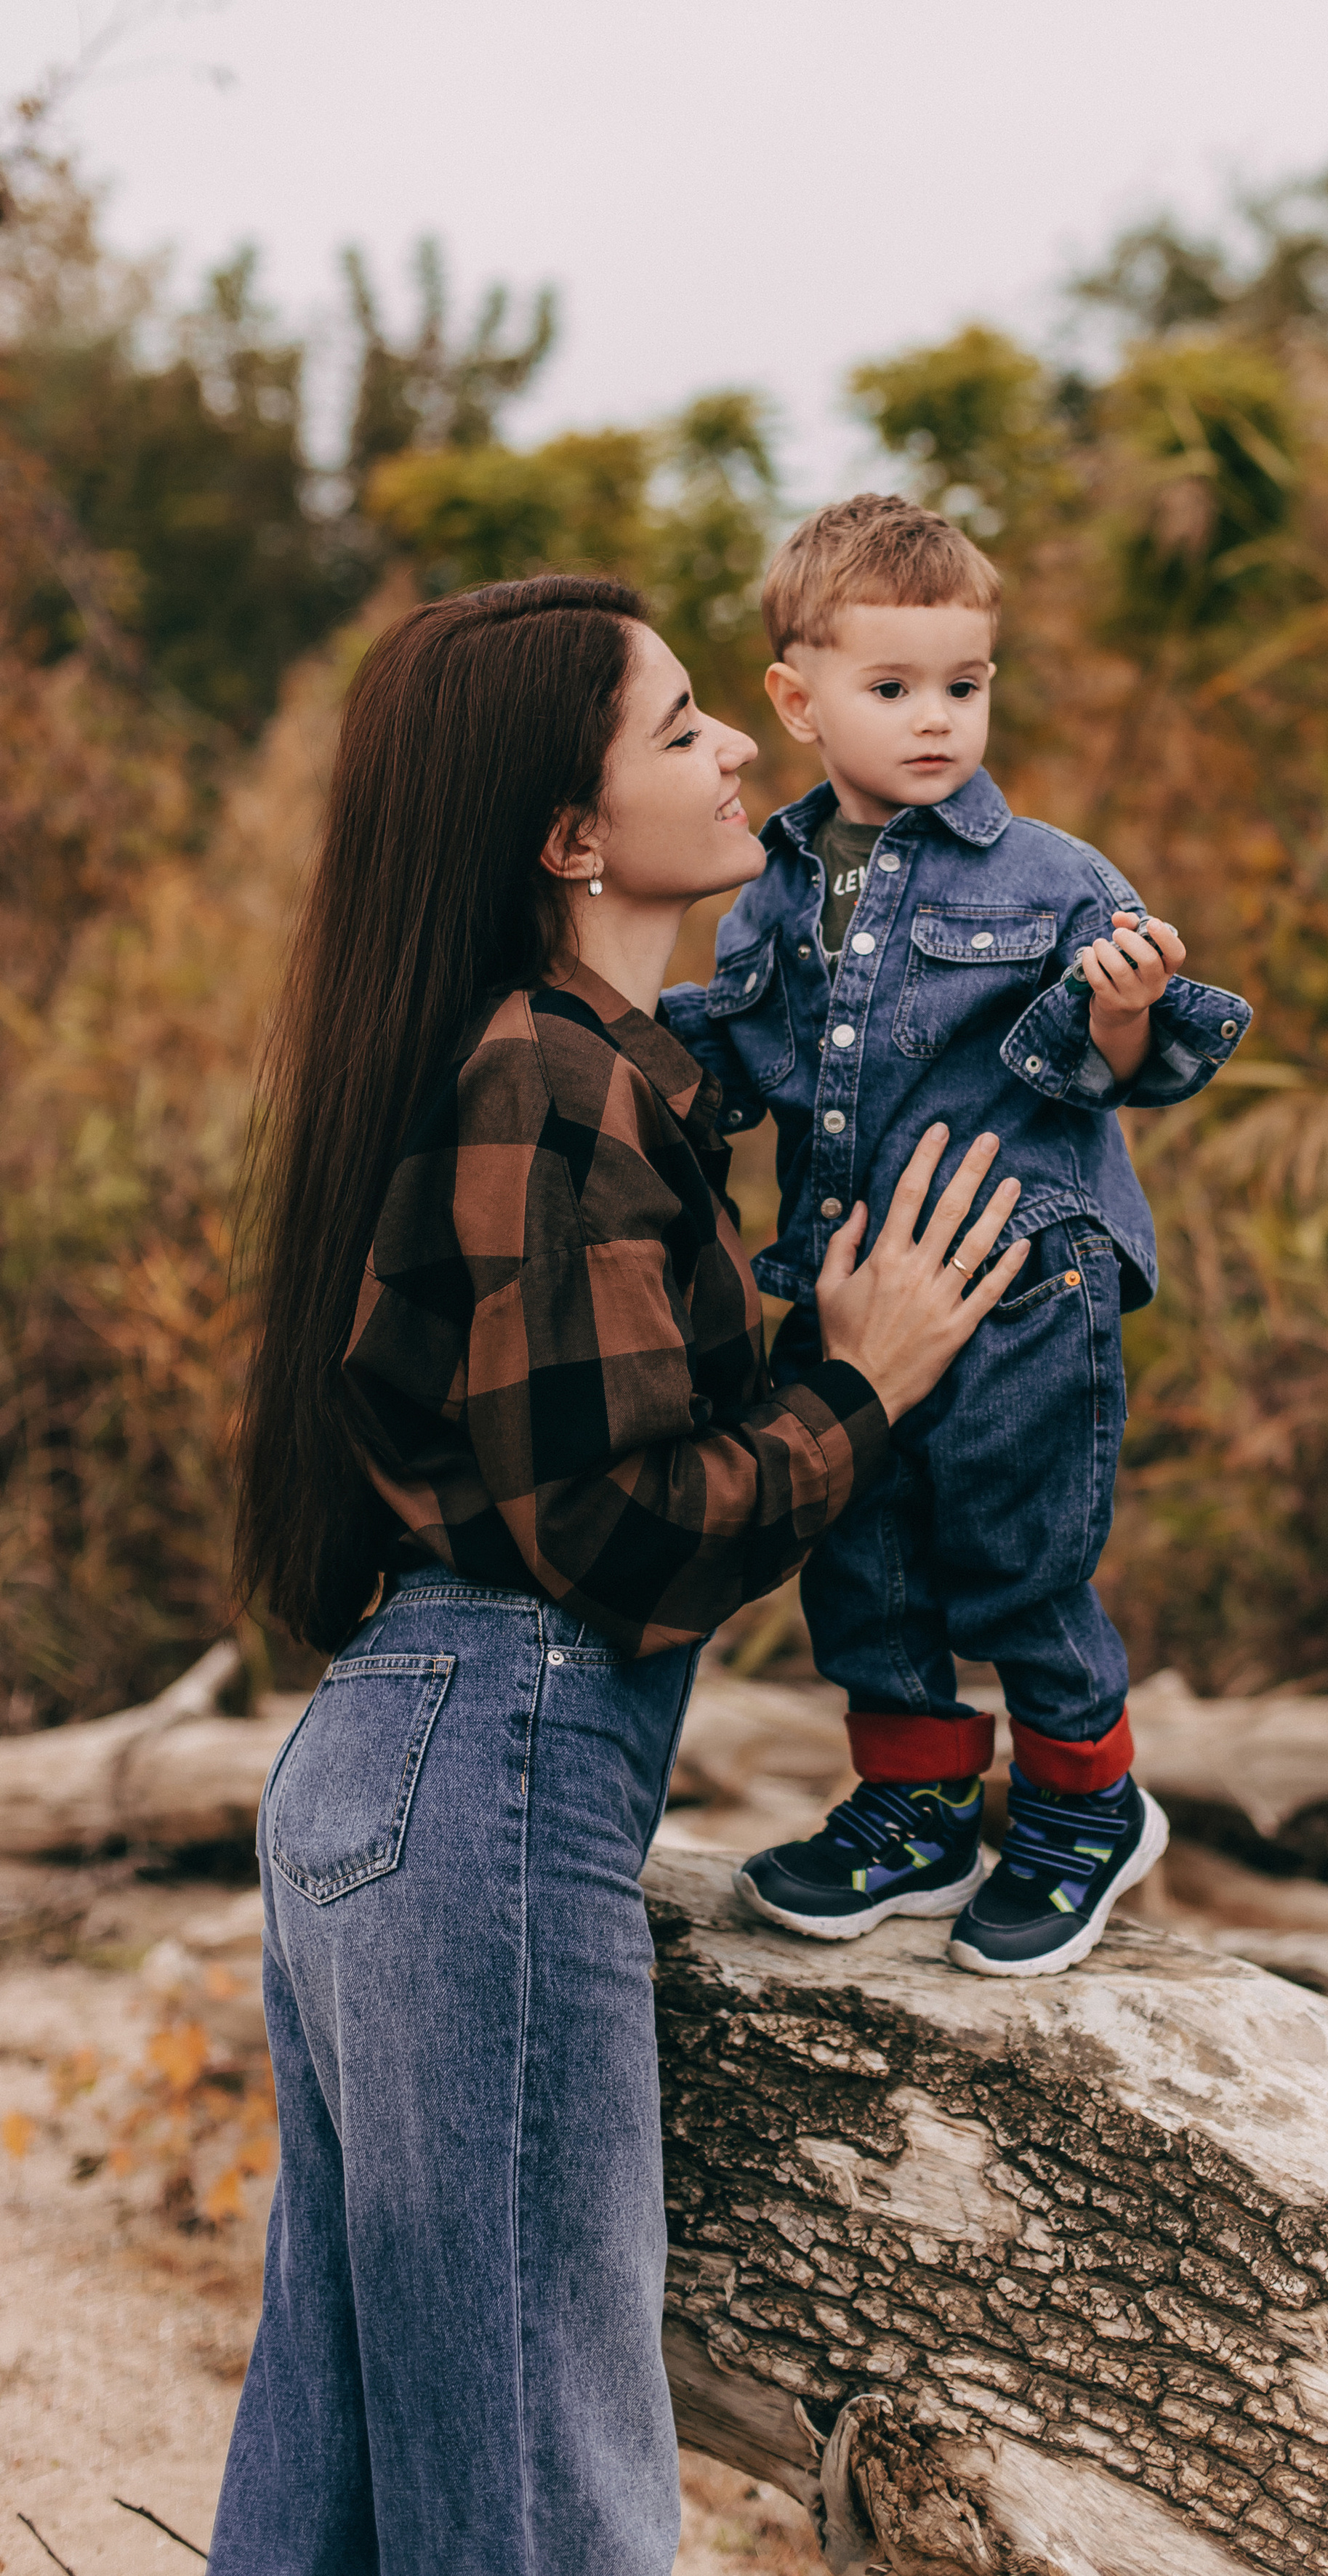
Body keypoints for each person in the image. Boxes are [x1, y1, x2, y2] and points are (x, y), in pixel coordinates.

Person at [212, 574, 1029, 2576]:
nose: (739, 743)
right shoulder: (550, 1082)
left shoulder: (579, 1066)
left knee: (335, 2477)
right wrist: (865, 1385)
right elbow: (616, 1534)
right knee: (534, 2472)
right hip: (484, 1777)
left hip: (399, 1773)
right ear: (570, 837)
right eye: (680, 730)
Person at [660, 495, 1252, 1981]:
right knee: (861, 1554)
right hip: (849, 1283)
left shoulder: (1049, 876)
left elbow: (1131, 1065)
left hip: (1012, 1276)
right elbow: (738, 1054)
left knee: (1014, 1555)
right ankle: (915, 1806)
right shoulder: (774, 886)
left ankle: (1081, 1803)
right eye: (892, 688)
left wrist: (1117, 1007)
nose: (935, 721)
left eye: (963, 686)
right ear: (796, 702)